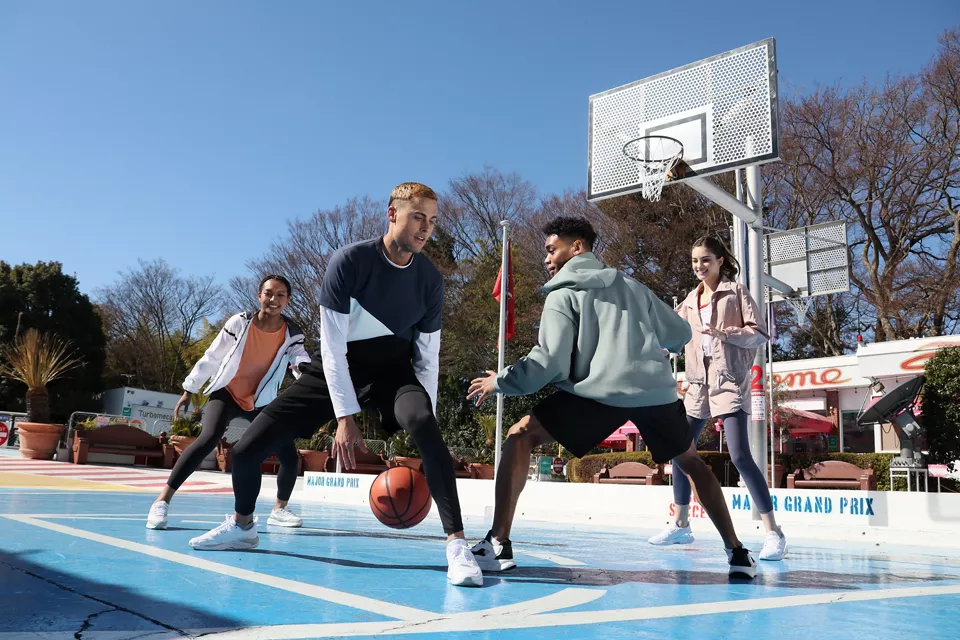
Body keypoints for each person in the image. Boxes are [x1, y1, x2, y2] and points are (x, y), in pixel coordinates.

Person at [187, 182, 483, 588]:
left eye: (432, 220)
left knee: (423, 421)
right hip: (337, 367)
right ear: (392, 214)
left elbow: (427, 358)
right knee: (245, 451)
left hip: (393, 372)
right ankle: (243, 526)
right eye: (418, 216)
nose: (426, 227)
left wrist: (425, 420)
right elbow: (331, 346)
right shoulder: (349, 261)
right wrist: (345, 415)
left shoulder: (430, 280)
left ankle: (457, 545)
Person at [467, 217, 757, 579]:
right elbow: (680, 334)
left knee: (519, 435)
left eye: (551, 249)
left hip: (598, 393)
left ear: (577, 248)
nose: (546, 259)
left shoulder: (562, 293)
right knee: (691, 462)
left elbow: (548, 361)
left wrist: (502, 381)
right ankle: (738, 553)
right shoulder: (632, 286)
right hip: (654, 392)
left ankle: (498, 542)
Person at [648, 235, 786, 561]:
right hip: (697, 385)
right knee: (679, 451)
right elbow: (671, 338)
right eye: (695, 260)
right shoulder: (687, 302)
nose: (700, 266)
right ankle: (681, 524)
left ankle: (774, 533)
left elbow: (760, 334)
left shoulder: (736, 293)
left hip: (728, 383)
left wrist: (726, 334)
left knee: (739, 456)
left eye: (706, 260)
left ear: (720, 261)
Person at [146, 275, 310, 530]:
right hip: (228, 392)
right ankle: (162, 501)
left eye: (280, 295)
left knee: (289, 454)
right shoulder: (240, 322)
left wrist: (307, 374)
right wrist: (189, 388)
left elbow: (300, 360)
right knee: (208, 438)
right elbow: (213, 356)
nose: (273, 299)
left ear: (288, 300)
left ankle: (280, 508)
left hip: (262, 400)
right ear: (259, 296)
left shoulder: (293, 333)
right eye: (268, 293)